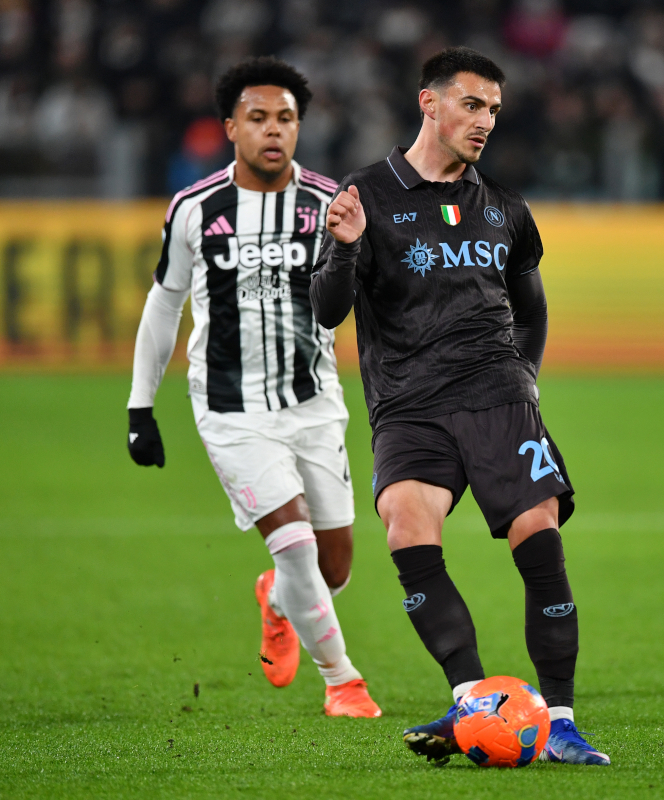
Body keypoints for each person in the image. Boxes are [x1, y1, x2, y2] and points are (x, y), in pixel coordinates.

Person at [310, 47, 609, 764]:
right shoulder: (366, 195)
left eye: (494, 111)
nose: (485, 122)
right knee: (407, 532)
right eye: (472, 105)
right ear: (429, 103)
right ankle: (474, 704)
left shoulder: (505, 208)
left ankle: (561, 720)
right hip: (410, 406)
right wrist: (345, 249)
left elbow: (531, 306)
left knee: (538, 536)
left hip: (497, 397)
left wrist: (526, 380)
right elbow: (327, 311)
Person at [126, 56, 380, 718]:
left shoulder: (331, 206)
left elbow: (366, 303)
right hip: (231, 409)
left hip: (314, 403)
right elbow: (164, 304)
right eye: (259, 118)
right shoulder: (194, 210)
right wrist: (140, 405)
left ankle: (276, 599)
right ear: (229, 127)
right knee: (294, 542)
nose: (274, 131)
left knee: (334, 567)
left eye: (287, 119)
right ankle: (343, 683)